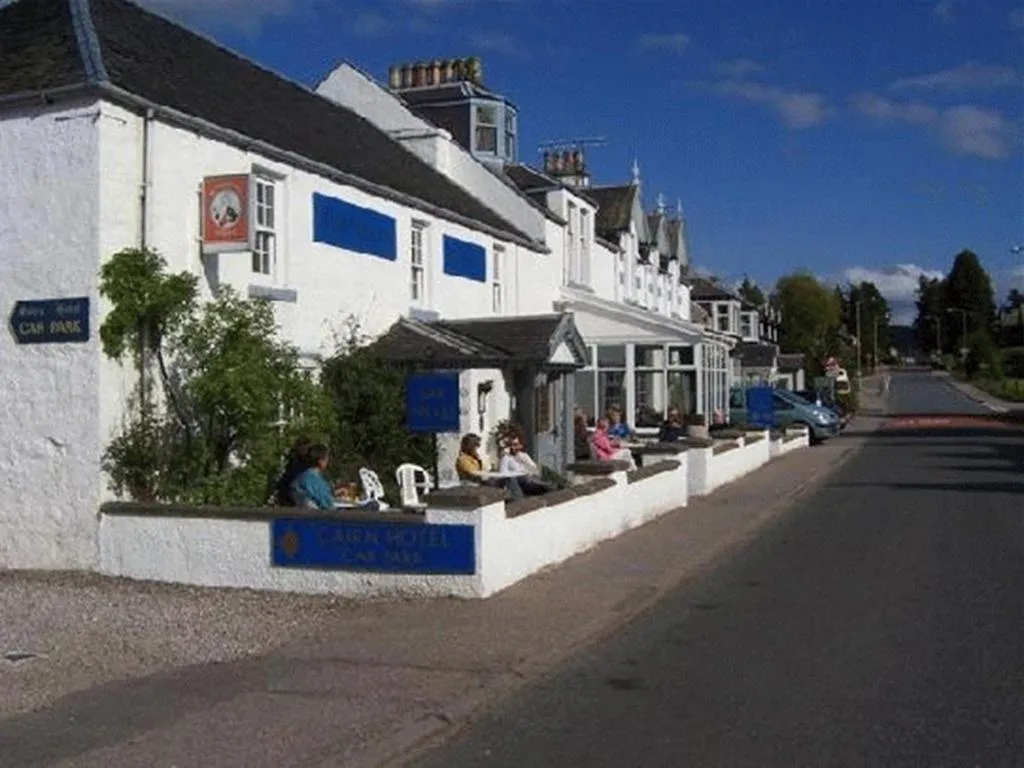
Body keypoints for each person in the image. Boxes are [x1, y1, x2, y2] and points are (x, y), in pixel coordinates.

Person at [456, 433, 524, 500]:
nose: (477, 448)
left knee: (511, 479)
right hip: (473, 486)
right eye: (476, 445)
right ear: (469, 446)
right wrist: (490, 475)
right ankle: (518, 500)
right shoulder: (462, 459)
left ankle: (518, 498)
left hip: (482, 482)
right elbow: (474, 473)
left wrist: (492, 471)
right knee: (508, 480)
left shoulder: (474, 457)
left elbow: (484, 469)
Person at [290, 443, 337, 511]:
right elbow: (327, 504)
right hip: (320, 516)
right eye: (326, 458)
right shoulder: (314, 480)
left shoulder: (302, 477)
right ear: (321, 461)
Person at [269, 436, 313, 506]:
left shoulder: (309, 462)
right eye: (304, 448)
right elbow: (286, 479)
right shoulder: (293, 462)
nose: (306, 450)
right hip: (290, 495)